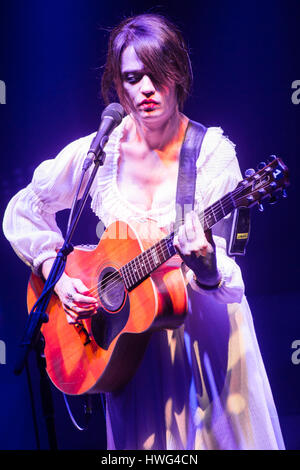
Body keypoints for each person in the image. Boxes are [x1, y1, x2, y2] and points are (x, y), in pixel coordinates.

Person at [3, 13, 285, 450]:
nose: (147, 89)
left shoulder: (211, 155)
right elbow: (25, 208)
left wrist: (206, 266)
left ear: (179, 75)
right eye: (133, 78)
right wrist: (54, 275)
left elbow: (225, 277)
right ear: (118, 86)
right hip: (129, 353)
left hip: (205, 354)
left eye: (158, 75)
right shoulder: (98, 154)